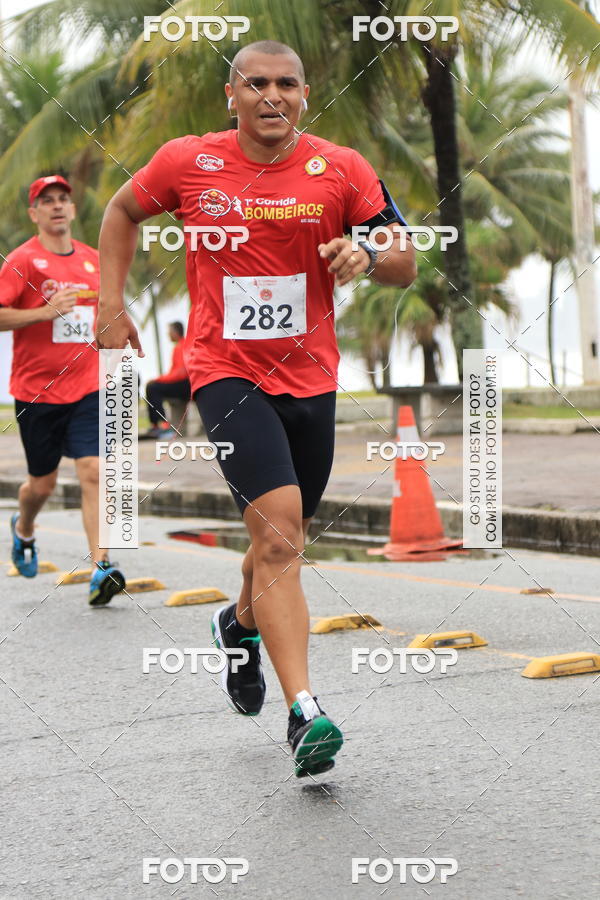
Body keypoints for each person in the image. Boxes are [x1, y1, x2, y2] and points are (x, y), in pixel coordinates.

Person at [96, 40, 416, 776]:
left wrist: (367, 257)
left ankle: (236, 625)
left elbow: (403, 256)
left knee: (286, 540)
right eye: (256, 84)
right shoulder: (187, 161)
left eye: (287, 85)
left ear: (306, 95)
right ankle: (305, 713)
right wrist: (110, 306)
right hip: (226, 374)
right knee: (278, 540)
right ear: (230, 95)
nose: (272, 96)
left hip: (313, 379)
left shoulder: (342, 169)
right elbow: (120, 212)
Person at [0, 175, 126, 606]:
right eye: (46, 201)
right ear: (34, 213)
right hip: (37, 391)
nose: (57, 206)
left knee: (93, 469)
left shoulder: (94, 260)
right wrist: (43, 312)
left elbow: (108, 314)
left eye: (63, 200)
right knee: (43, 485)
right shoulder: (22, 262)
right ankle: (25, 528)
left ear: (72, 210)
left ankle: (102, 565)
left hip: (89, 386)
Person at [143, 320, 190, 439]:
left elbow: (180, 373)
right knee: (154, 387)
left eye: (169, 331)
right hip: (183, 384)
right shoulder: (179, 346)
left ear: (175, 332)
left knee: (152, 387)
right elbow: (174, 373)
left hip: (185, 385)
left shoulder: (181, 346)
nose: (168, 334)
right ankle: (158, 425)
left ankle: (160, 425)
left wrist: (157, 379)